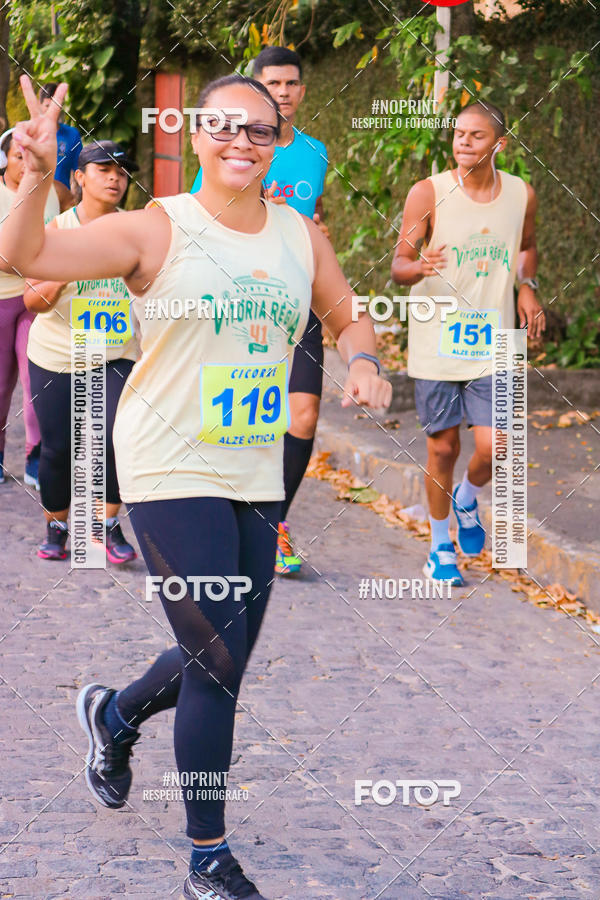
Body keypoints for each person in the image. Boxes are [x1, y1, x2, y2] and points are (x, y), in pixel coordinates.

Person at [4, 73, 391, 900]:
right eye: (225, 127)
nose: (241, 142)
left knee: (223, 651)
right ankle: (208, 855)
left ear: (279, 140)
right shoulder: (155, 229)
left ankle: (113, 715)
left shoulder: (301, 236)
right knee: (216, 657)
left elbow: (344, 311)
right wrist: (36, 177)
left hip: (254, 465)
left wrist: (361, 358)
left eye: (259, 130)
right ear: (197, 130)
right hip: (165, 459)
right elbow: (25, 257)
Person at [391, 101, 545, 585]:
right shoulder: (428, 193)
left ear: (499, 144)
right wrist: (419, 267)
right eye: (458, 134)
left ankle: (468, 498)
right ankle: (440, 547)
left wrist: (527, 287)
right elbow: (398, 265)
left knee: (497, 445)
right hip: (438, 341)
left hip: (495, 341)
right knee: (442, 450)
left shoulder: (521, 194)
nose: (462, 142)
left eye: (475, 136)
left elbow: (527, 247)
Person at [191, 47, 329, 576]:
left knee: (304, 414)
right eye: (274, 83)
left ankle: (274, 522)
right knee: (232, 415)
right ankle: (211, 508)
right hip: (233, 294)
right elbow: (205, 209)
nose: (285, 91)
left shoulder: (315, 152)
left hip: (297, 294)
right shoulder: (232, 145)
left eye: (292, 83)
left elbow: (314, 214)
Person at [24, 140, 140, 562]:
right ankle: (57, 527)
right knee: (58, 449)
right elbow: (32, 302)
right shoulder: (57, 231)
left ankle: (106, 524)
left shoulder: (136, 229)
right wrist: (70, 269)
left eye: (122, 172)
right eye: (104, 169)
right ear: (79, 176)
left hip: (116, 353)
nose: (115, 178)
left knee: (112, 437)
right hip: (58, 353)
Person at [0, 128, 59, 489]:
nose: (24, 164)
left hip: (34, 299)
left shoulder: (49, 194)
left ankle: (37, 458)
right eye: (17, 156)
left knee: (36, 381)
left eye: (29, 155)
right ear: (4, 159)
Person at [39, 82, 83, 211]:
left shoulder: (72, 135)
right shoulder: (28, 133)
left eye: (56, 106)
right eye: (47, 106)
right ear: (40, 105)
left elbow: (80, 172)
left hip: (61, 204)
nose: (52, 110)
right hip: (31, 201)